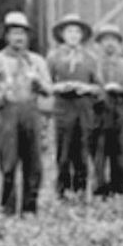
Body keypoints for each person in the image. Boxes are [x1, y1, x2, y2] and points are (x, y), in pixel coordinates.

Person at [0, 10, 52, 215]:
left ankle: (30, 209)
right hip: (8, 113)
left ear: (27, 37)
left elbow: (49, 90)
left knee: (34, 165)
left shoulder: (37, 61)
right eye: (14, 33)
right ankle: (7, 210)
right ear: (6, 36)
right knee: (8, 164)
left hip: (32, 113)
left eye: (22, 33)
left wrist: (38, 83)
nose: (19, 38)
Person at [47, 13, 101, 203]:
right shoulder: (53, 57)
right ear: (62, 34)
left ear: (82, 35)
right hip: (62, 108)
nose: (73, 35)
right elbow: (44, 85)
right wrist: (58, 87)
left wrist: (86, 88)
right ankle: (62, 191)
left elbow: (99, 88)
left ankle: (79, 191)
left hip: (84, 109)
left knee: (82, 151)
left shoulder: (91, 58)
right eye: (69, 31)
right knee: (63, 152)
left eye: (77, 31)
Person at [90, 24, 123, 197]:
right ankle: (99, 191)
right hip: (97, 115)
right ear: (99, 44)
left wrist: (122, 91)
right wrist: (100, 93)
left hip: (119, 115)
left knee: (120, 156)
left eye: (113, 40)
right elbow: (86, 89)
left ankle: (119, 190)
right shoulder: (92, 65)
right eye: (105, 40)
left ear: (119, 44)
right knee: (98, 156)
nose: (109, 44)